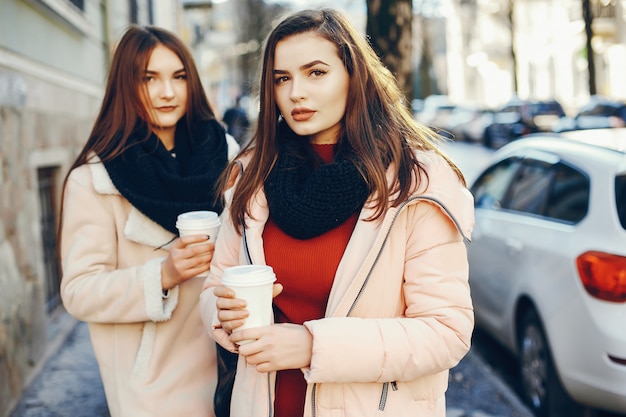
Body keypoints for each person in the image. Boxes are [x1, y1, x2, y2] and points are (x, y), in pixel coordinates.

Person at [199, 7, 475, 417]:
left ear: (353, 76)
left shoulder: (416, 182)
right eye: (282, 79)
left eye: (315, 73)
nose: (296, 93)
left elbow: (446, 331)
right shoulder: (253, 175)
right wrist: (221, 314)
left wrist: (314, 346)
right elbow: (213, 288)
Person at [58, 25, 238, 417]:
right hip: (154, 386)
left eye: (178, 77)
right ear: (126, 86)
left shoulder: (225, 153)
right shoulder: (95, 178)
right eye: (149, 78)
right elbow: (78, 290)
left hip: (233, 367)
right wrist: (163, 275)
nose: (167, 92)